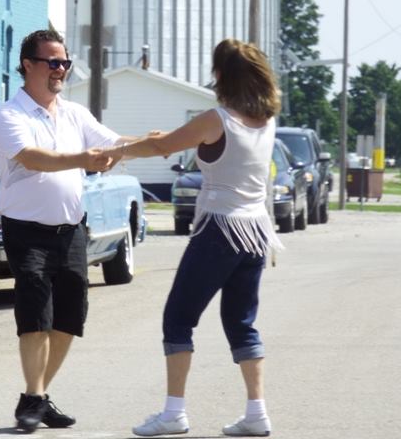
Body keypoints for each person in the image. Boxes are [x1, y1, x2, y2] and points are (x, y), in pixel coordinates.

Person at [102, 39, 283, 438]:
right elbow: (190, 139)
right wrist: (157, 138)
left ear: (220, 75)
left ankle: (174, 413)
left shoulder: (218, 118)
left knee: (178, 319)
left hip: (220, 228)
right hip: (255, 232)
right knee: (241, 322)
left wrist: (118, 151)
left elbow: (164, 146)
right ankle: (257, 412)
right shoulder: (264, 121)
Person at [0, 29, 123, 432]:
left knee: (69, 316)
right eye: (52, 62)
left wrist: (161, 142)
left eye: (64, 62)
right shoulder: (9, 114)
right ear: (28, 65)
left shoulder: (75, 114)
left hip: (71, 230)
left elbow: (115, 143)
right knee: (35, 310)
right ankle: (34, 397)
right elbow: (33, 158)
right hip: (26, 230)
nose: (60, 69)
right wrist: (83, 158)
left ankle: (36, 397)